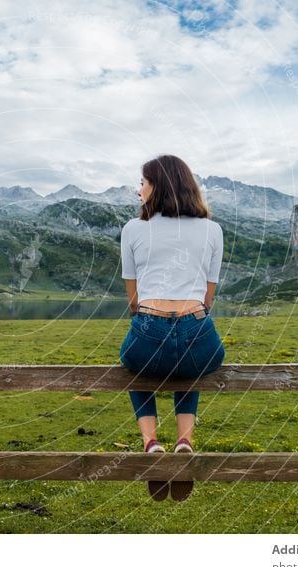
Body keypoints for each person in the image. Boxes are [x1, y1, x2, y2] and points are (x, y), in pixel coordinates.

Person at [118, 154, 225, 501]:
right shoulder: (213, 230)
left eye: (143, 182)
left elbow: (133, 302)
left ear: (158, 185)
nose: (139, 191)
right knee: (189, 362)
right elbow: (208, 299)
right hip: (198, 333)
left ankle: (151, 441)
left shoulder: (133, 230)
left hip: (149, 327)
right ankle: (185, 440)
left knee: (134, 362)